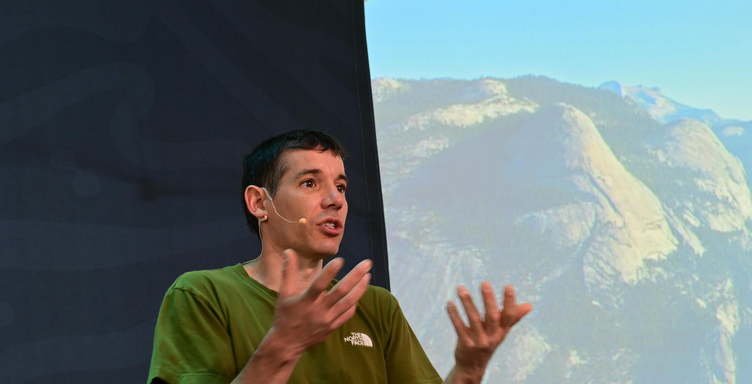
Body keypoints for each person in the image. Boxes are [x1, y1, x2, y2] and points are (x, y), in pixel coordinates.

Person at [147, 129, 532, 383]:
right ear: (259, 202)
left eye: (342, 186)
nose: (335, 200)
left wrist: (469, 368)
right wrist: (283, 344)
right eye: (310, 182)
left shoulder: (377, 307)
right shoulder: (202, 294)